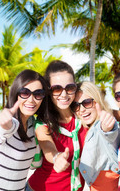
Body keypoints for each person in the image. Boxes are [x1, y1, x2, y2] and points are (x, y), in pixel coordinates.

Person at [0, 69, 49, 191]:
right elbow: (4, 126)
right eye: (25, 92)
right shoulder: (7, 122)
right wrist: (5, 122)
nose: (31, 99)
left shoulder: (32, 126)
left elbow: (36, 163)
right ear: (15, 93)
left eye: (38, 94)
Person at [26, 60, 88, 191]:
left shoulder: (83, 115)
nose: (64, 94)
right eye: (57, 89)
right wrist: (56, 157)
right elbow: (47, 145)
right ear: (48, 91)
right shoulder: (43, 123)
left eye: (70, 88)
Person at [73, 81, 120, 191]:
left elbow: (109, 133)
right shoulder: (83, 128)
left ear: (97, 101)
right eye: (76, 105)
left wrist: (107, 127)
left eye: (87, 102)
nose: (82, 109)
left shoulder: (101, 124)